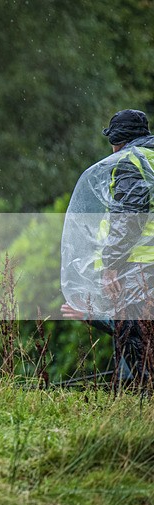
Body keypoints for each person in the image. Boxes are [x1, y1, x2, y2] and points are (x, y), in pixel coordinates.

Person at [98, 109, 154, 380]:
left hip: (140, 267)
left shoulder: (130, 161)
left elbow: (130, 217)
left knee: (135, 339)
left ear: (117, 139)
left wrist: (111, 264)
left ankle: (143, 402)